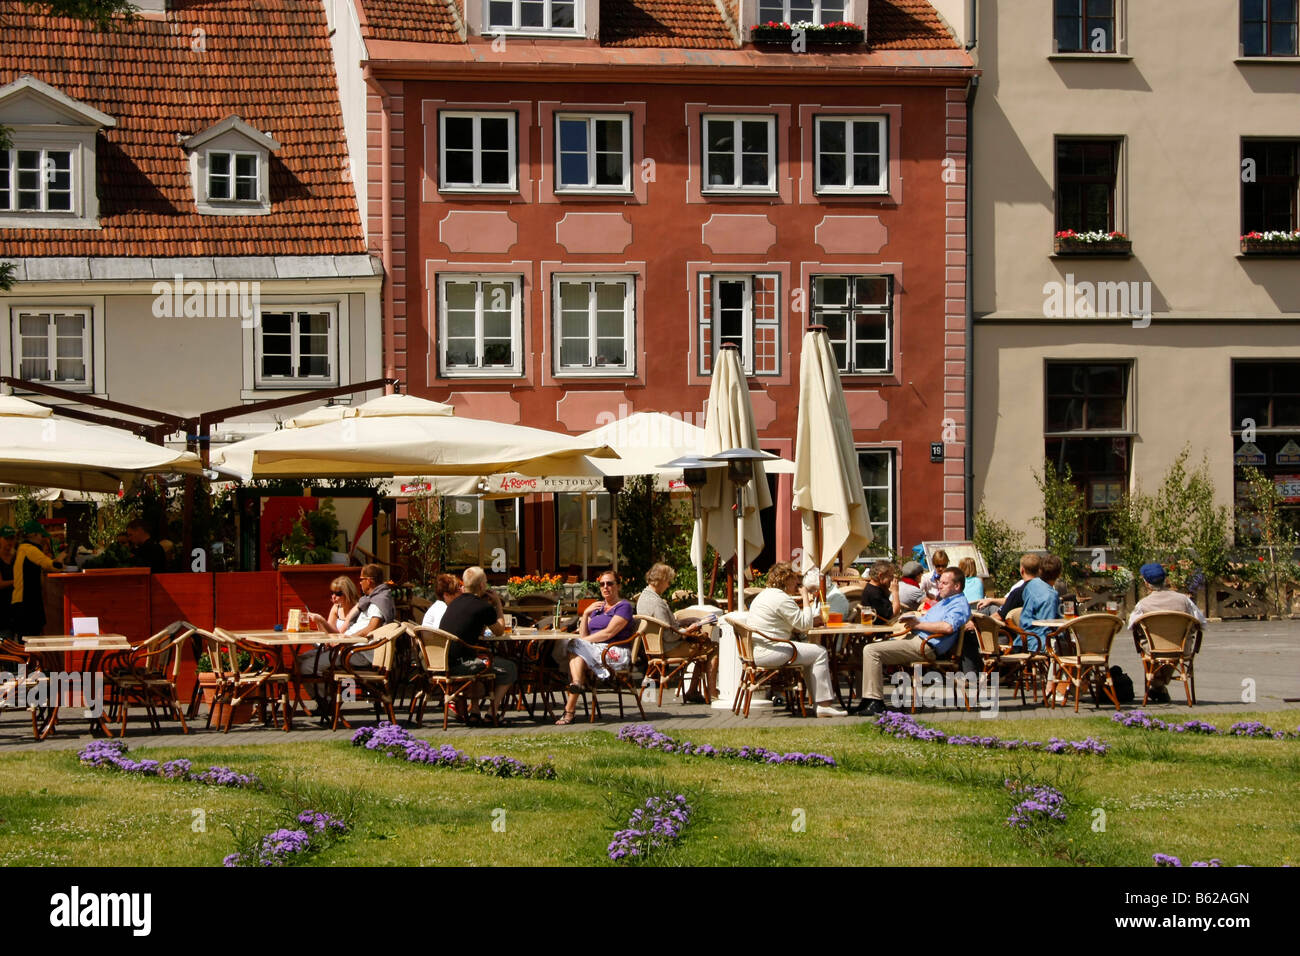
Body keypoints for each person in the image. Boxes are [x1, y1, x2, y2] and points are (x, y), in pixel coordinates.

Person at [850, 566, 971, 716]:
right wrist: (913, 618)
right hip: (916, 639)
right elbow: (930, 620)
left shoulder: (958, 604)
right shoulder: (944, 602)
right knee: (860, 647)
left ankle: (875, 702)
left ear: (957, 586)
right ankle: (866, 700)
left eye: (945, 583)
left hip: (925, 645)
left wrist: (918, 624)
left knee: (871, 651)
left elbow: (948, 627)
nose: (939, 585)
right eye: (940, 582)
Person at [744, 562, 846, 717]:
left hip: (757, 651)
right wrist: (805, 596)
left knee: (810, 654)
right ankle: (823, 705)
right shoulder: (781, 599)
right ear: (786, 580)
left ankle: (818, 703)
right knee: (819, 652)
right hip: (771, 651)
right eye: (794, 580)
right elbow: (804, 625)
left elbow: (790, 622)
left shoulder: (764, 595)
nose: (797, 583)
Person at [438, 566, 516, 724]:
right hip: (461, 665)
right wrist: (498, 605)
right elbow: (499, 630)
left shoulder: (454, 603)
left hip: (442, 662)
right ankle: (491, 714)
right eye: (486, 583)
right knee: (509, 668)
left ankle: (474, 711)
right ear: (481, 586)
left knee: (478, 660)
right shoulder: (483, 607)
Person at [557, 570, 636, 725]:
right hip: (594, 649)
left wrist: (584, 642)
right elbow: (584, 633)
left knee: (575, 646)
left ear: (618, 586)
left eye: (610, 583)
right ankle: (575, 691)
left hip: (614, 650)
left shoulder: (624, 607)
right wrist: (586, 614)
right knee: (576, 652)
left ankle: (570, 707)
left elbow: (608, 633)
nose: (605, 587)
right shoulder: (598, 608)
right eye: (602, 584)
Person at [1127, 562, 1208, 704]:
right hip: (1181, 648)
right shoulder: (1184, 600)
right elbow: (1201, 622)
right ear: (1166, 579)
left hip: (1153, 648)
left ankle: (1157, 684)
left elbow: (1132, 626)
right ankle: (1159, 686)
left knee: (1151, 648)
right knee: (1175, 651)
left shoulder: (1143, 604)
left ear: (1146, 583)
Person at [636, 562, 712, 703]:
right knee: (710, 647)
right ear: (661, 580)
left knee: (703, 645)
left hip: (652, 648)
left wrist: (683, 623)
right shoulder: (657, 603)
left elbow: (663, 626)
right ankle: (705, 692)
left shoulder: (643, 598)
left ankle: (694, 690)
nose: (669, 585)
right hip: (669, 647)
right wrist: (688, 630)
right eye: (668, 581)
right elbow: (669, 636)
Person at [9, 521, 64, 639]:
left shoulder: (22, 548)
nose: (42, 539)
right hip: (26, 603)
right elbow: (50, 565)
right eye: (41, 535)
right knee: (29, 640)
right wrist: (61, 559)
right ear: (33, 535)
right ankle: (29, 658)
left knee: (25, 639)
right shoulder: (29, 549)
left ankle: (28, 658)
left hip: (22, 602)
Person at [1018, 554, 1063, 653]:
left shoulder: (1030, 585)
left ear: (1040, 571)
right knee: (1068, 646)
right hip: (1039, 641)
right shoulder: (1051, 595)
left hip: (1023, 638)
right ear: (1059, 574)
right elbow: (1049, 626)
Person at [975, 553, 1040, 620]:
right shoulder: (1047, 590)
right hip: (1038, 624)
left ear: (1022, 570)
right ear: (1039, 571)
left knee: (987, 610)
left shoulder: (1018, 592)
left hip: (1014, 627)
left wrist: (979, 623)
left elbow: (999, 616)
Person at [0, 527, 16, 639]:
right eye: (6, 539)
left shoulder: (16, 558)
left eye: (12, 539)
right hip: (2, 610)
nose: (9, 542)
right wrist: (17, 582)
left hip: (15, 608)